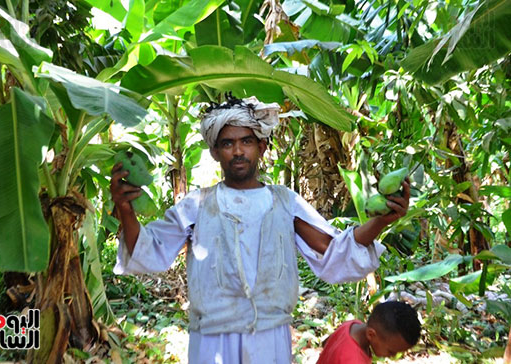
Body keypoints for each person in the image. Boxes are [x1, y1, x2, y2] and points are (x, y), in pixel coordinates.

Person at [110, 95, 411, 363]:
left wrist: (382, 220)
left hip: (269, 336)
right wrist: (125, 210)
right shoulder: (197, 204)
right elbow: (150, 250)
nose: (238, 151)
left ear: (262, 147)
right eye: (227, 143)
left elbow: (332, 248)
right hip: (212, 336)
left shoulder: (284, 202)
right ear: (215, 152)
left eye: (246, 141)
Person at [316, 301, 421, 363]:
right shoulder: (354, 360)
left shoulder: (351, 326)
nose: (393, 356)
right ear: (371, 334)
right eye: (391, 351)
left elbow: (326, 342)